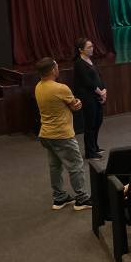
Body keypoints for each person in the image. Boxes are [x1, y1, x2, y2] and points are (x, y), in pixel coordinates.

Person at [34, 57, 91, 210]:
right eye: (57, 66)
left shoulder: (38, 87)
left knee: (55, 167)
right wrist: (78, 103)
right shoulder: (60, 88)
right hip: (62, 135)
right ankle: (82, 199)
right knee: (76, 165)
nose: (58, 68)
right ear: (53, 70)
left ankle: (59, 198)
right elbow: (75, 105)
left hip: (46, 135)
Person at [73, 37, 106, 159]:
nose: (92, 48)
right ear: (81, 50)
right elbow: (87, 82)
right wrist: (101, 93)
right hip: (88, 98)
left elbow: (99, 76)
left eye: (92, 46)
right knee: (90, 124)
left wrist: (105, 90)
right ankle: (90, 152)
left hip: (97, 96)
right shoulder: (79, 64)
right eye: (89, 47)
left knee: (98, 121)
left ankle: (95, 147)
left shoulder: (91, 60)